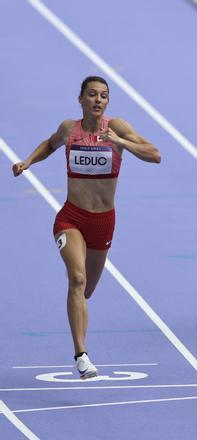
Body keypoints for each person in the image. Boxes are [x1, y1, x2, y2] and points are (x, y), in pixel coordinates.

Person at [12, 76, 161, 379]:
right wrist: (28, 161)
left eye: (103, 96)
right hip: (71, 218)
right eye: (92, 94)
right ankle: (81, 355)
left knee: (87, 290)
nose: (97, 100)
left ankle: (80, 332)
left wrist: (121, 143)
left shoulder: (117, 128)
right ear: (80, 99)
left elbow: (155, 154)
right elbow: (50, 144)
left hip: (103, 223)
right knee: (77, 279)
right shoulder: (70, 129)